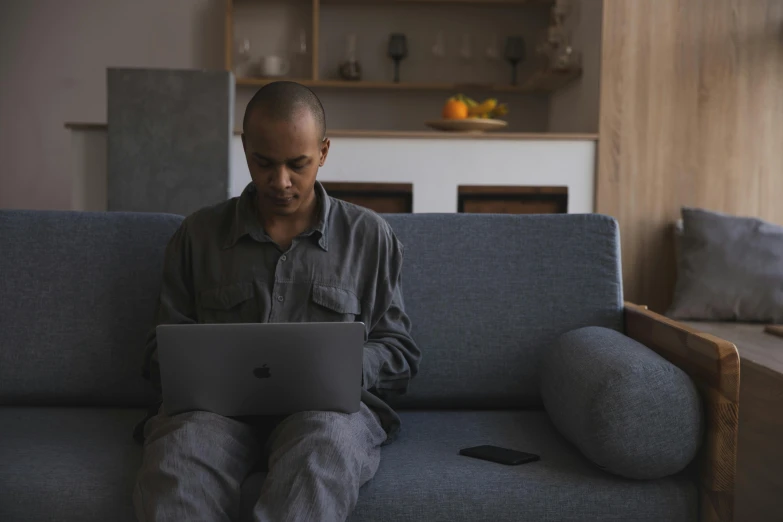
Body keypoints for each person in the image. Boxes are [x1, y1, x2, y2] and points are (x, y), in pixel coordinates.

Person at [133, 81, 421, 522]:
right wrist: (189, 369)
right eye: (263, 163)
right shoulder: (198, 235)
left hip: (325, 416)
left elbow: (399, 352)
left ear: (323, 152)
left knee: (325, 446)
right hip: (214, 417)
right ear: (245, 147)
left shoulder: (368, 237)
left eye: (298, 165)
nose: (280, 182)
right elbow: (159, 350)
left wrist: (341, 367)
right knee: (180, 454)